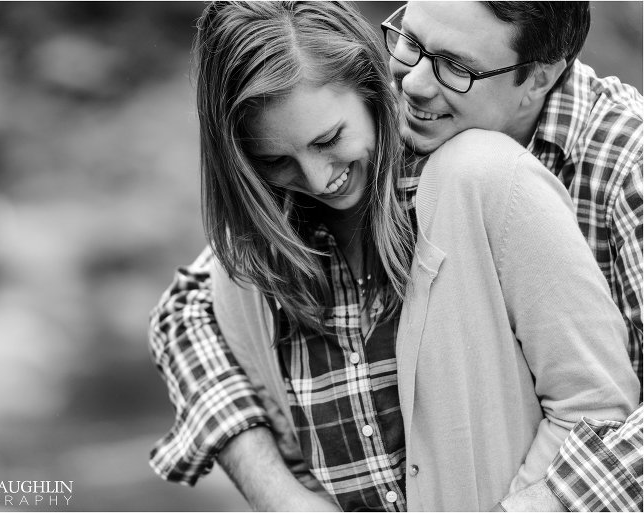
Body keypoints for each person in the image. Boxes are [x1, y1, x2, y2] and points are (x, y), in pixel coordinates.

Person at [149, 1, 644, 510]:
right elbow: (190, 304)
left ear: (537, 78)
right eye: (410, 39)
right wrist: (278, 491)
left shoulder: (624, 169)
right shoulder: (388, 132)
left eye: (457, 67)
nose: (411, 85)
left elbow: (609, 417)